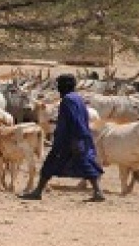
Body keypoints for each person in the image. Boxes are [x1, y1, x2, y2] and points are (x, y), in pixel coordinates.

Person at [19, 74, 105, 202]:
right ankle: (97, 191)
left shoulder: (68, 100)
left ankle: (38, 192)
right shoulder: (77, 98)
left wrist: (74, 140)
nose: (58, 88)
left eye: (59, 85)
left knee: (54, 163)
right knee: (84, 163)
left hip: (69, 138)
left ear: (64, 86)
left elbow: (74, 120)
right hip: (77, 137)